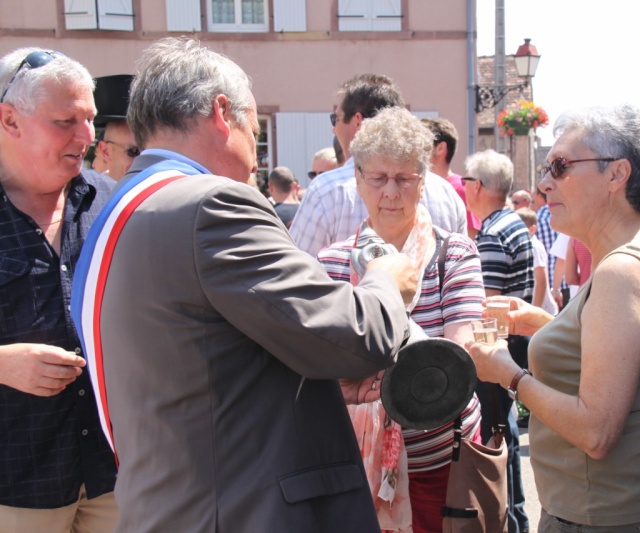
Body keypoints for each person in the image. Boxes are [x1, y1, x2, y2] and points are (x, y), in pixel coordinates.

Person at [71, 37, 420, 533]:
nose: (255, 160)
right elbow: (355, 338)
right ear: (221, 113)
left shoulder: (120, 210)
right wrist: (386, 282)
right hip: (242, 511)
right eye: (254, 131)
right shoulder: (209, 205)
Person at [468, 104, 640, 532]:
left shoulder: (622, 270)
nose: (543, 183)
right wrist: (546, 323)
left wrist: (509, 374)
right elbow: (629, 347)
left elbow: (596, 431)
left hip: (610, 515)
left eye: (559, 167)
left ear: (617, 174)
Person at [318, 106, 484, 533]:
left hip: (442, 464)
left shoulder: (455, 255)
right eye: (377, 178)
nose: (390, 192)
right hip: (355, 462)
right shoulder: (332, 263)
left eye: (404, 179)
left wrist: (385, 313)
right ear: (357, 181)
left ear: (422, 184)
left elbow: (458, 358)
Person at [0, 48, 118, 531]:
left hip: (115, 476)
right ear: (9, 120)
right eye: (66, 120)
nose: (87, 136)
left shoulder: (111, 202)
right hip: (17, 486)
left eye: (89, 118)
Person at [290, 74, 466, 256]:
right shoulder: (447, 193)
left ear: (358, 121)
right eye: (378, 179)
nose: (333, 129)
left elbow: (297, 269)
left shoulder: (326, 190)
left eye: (336, 119)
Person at [463, 149, 533, 533]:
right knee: (504, 434)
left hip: (497, 352)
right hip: (511, 347)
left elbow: (483, 307)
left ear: (476, 186)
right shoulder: (512, 224)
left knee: (497, 441)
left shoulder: (492, 232)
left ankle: (511, 520)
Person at [422, 117, 481, 239]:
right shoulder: (417, 183)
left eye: (423, 144)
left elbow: (470, 237)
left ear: (440, 148)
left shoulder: (461, 188)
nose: (417, 149)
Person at [91, 74, 139, 181]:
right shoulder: (92, 196)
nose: (144, 160)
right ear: (106, 151)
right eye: (134, 151)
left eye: (150, 151)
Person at [515, 207, 558, 315]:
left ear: (532, 229)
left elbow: (541, 282)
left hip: (543, 310)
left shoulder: (534, 246)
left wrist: (534, 311)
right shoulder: (526, 245)